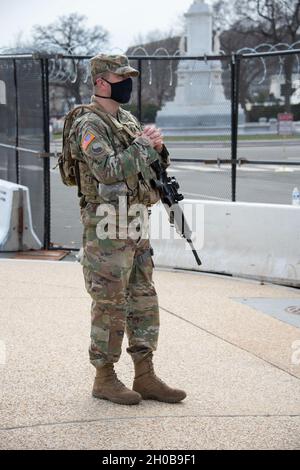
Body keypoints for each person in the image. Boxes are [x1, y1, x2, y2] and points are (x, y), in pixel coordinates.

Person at [69, 54, 186, 405]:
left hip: (135, 221)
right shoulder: (88, 124)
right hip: (106, 227)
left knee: (143, 299)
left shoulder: (126, 119)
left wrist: (159, 149)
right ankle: (104, 378)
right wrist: (143, 145)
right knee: (110, 303)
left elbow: (148, 166)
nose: (127, 83)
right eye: (120, 77)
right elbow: (107, 170)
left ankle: (145, 374)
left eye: (128, 77)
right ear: (101, 82)